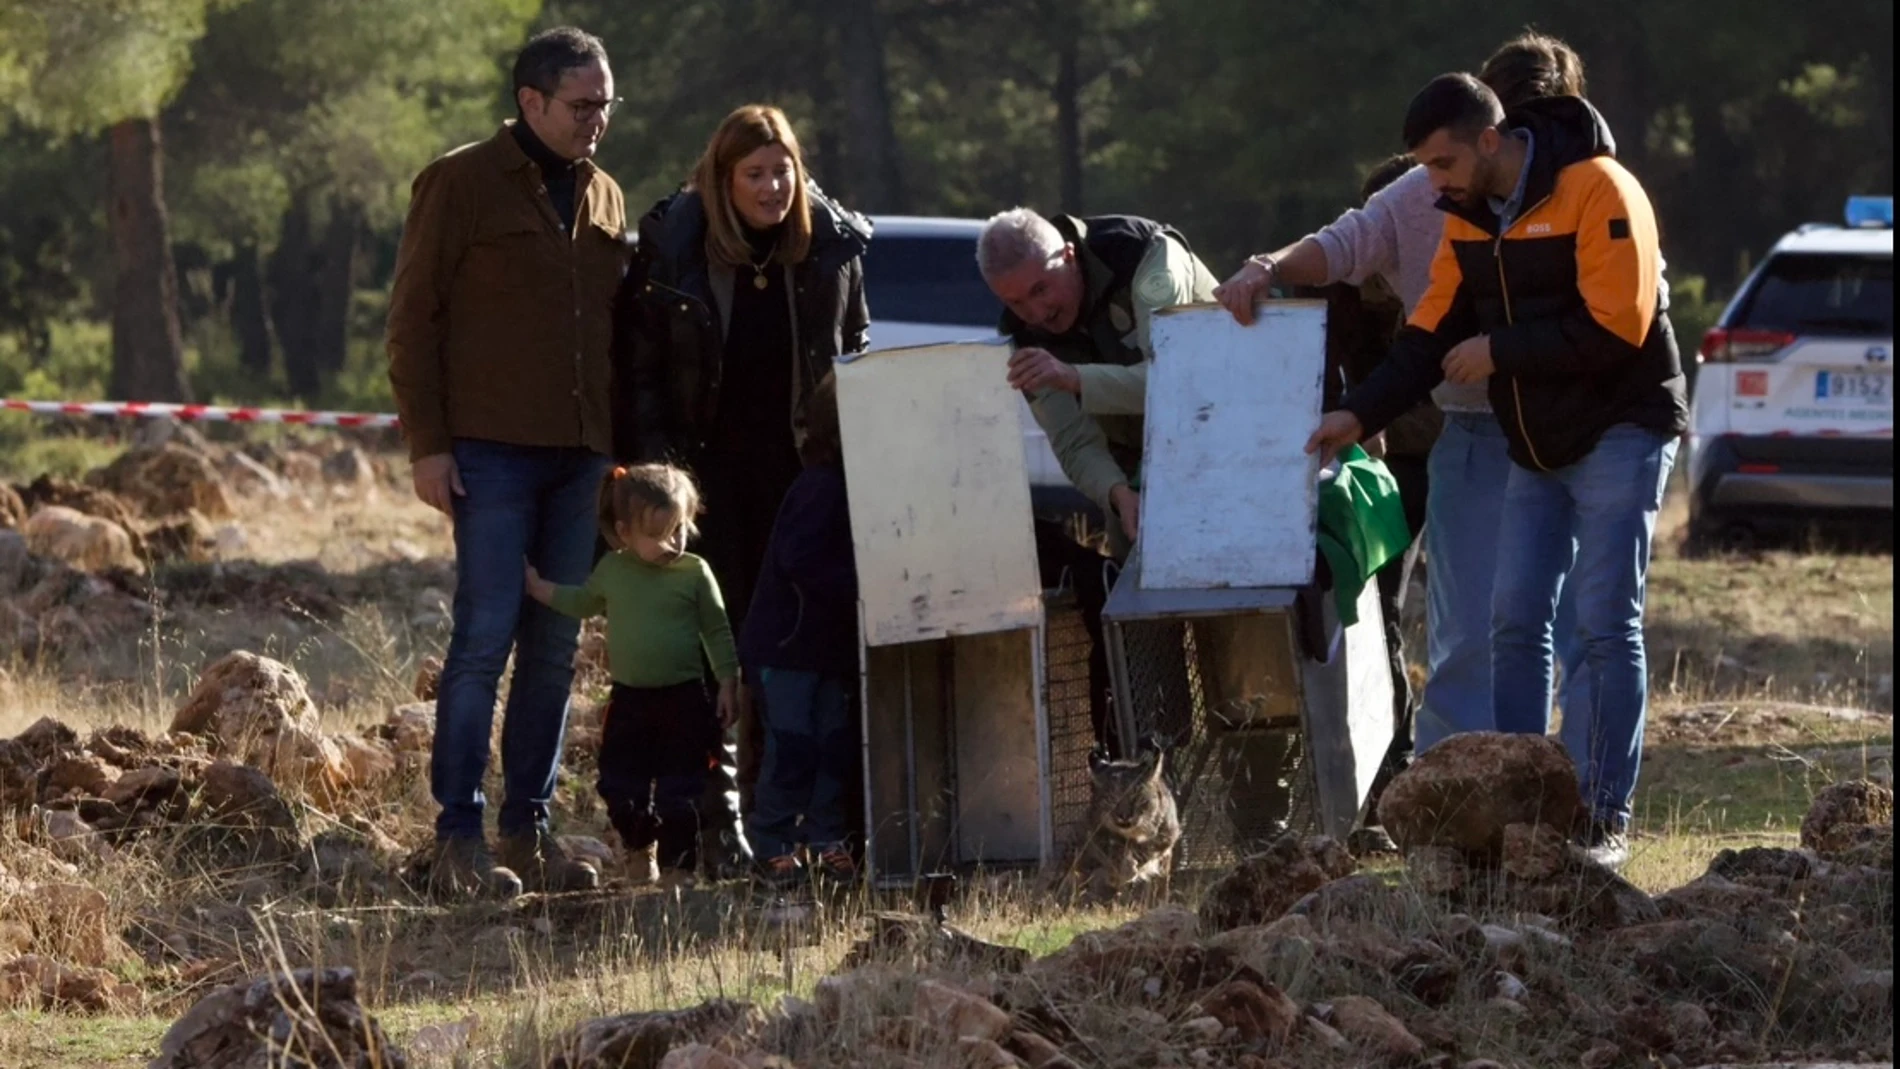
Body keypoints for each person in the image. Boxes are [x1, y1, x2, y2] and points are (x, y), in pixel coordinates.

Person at [1307, 73, 1687, 867]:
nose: (1431, 183)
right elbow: (1425, 334)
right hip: (1538, 441)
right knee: (1513, 621)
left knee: (1605, 622)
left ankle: (1604, 816)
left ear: (1490, 139)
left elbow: (1620, 324)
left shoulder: (1600, 188)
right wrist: (1357, 414)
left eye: (1441, 163)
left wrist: (1497, 351)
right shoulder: (1468, 218)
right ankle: (1526, 807)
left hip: (1624, 425)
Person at [1214, 32, 1610, 762]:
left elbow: (1627, 311)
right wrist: (1266, 265)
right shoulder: (1428, 193)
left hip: (1584, 425)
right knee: (1474, 629)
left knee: (1591, 621)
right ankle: (1461, 787)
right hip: (1473, 430)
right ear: (1485, 127)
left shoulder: (1593, 185)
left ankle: (1584, 794)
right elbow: (1350, 245)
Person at [386, 26, 627, 899]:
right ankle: (457, 838)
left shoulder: (605, 195)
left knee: (556, 649)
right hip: (489, 452)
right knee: (483, 639)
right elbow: (413, 320)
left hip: (580, 460)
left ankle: (528, 832)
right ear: (531, 101)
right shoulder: (460, 182)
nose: (596, 121)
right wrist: (429, 444)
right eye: (581, 105)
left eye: (606, 105)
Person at [619, 104, 871, 878]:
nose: (772, 186)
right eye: (754, 174)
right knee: (712, 657)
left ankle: (806, 831)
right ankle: (705, 829)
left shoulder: (831, 246)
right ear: (722, 182)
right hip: (706, 484)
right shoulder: (678, 248)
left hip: (806, 483)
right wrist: (659, 481)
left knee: (804, 657)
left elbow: (855, 350)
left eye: (782, 169)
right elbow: (641, 372)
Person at [525, 464, 740, 883]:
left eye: (681, 530)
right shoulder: (613, 572)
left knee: (684, 790)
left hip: (685, 702)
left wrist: (728, 681)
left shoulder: (694, 573)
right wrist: (540, 590)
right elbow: (584, 602)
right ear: (624, 533)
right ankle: (641, 847)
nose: (674, 543)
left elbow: (716, 630)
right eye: (661, 535)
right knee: (621, 784)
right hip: (630, 702)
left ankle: (680, 867)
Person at [977, 207, 1217, 556]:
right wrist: (1117, 494)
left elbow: (1178, 386)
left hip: (1227, 442)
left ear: (1069, 255)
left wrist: (1073, 377)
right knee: (1129, 591)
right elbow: (1073, 441)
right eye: (1015, 302)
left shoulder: (1144, 256)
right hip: (1137, 475)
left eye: (1041, 289)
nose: (1037, 313)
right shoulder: (1023, 336)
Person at [738, 372, 861, 887]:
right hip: (788, 648)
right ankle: (773, 844)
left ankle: (827, 839)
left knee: (833, 742)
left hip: (827, 650)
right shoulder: (821, 487)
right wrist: (862, 582)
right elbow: (798, 558)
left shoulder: (850, 488)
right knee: (792, 744)